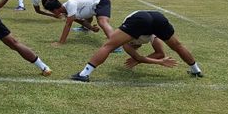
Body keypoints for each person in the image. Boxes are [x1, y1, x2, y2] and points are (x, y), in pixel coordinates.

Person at [71, 10, 204, 82]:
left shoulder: (127, 43)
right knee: (177, 45)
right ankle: (196, 70)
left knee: (108, 46)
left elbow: (145, 56)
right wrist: (159, 61)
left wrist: (159, 61)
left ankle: (84, 74)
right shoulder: (135, 42)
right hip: (157, 17)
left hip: (141, 17)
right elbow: (139, 58)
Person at [42, 0, 115, 46]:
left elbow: (68, 25)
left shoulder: (70, 5)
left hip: (100, 2)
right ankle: (85, 29)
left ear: (55, 10)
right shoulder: (66, 11)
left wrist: (61, 42)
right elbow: (81, 21)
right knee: (87, 17)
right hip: (92, 9)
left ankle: (115, 44)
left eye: (51, 12)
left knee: (102, 22)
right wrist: (91, 28)